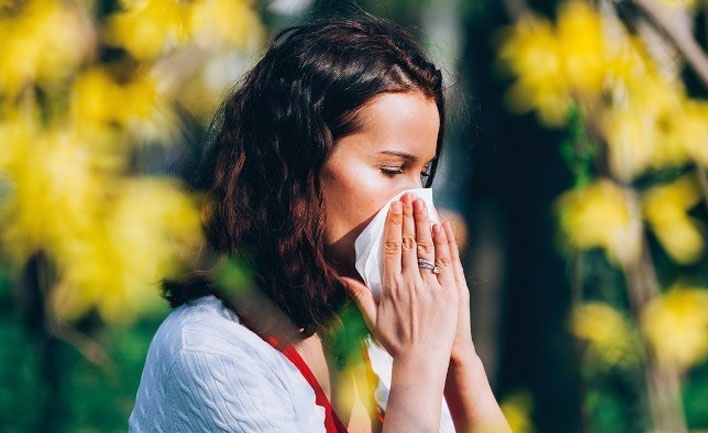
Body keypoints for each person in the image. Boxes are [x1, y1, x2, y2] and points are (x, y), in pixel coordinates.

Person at [129, 13, 512, 433]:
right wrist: (419, 366)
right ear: (296, 165)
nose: (420, 206)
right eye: (390, 170)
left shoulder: (378, 335)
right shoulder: (211, 352)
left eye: (421, 175)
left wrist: (458, 358)